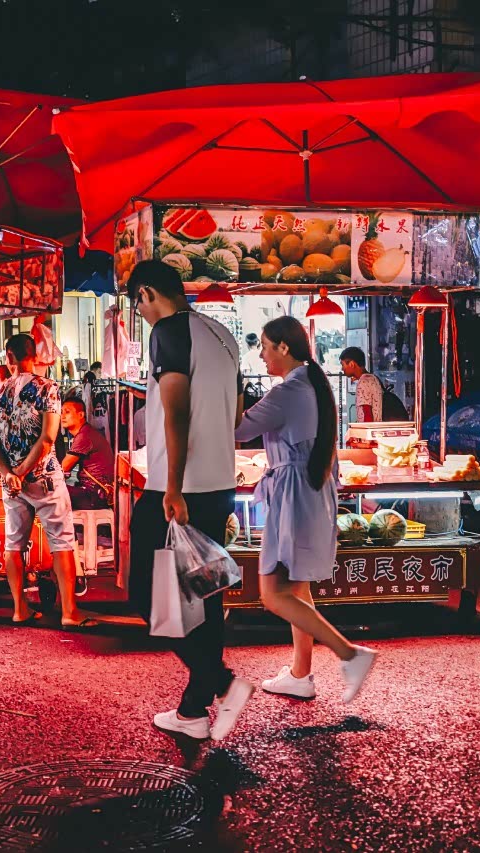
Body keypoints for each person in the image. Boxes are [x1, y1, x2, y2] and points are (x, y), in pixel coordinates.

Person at [126, 260, 253, 742]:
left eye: (138, 303)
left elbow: (175, 410)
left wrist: (174, 485)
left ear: (147, 293)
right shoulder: (221, 333)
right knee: (204, 596)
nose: (140, 313)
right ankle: (195, 709)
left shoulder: (169, 330)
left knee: (144, 592)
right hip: (220, 483)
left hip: (175, 487)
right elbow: (237, 411)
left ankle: (222, 684)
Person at [235, 318, 376, 704]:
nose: (261, 354)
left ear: (283, 347)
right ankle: (300, 674)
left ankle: (350, 653)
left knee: (272, 592)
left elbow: (238, 431)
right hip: (306, 492)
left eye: (265, 346)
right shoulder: (308, 384)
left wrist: (228, 388)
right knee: (297, 588)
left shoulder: (288, 391)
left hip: (294, 495)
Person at [0, 333, 94, 629]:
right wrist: (22, 472)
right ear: (35, 356)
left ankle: (20, 608)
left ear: (9, 358)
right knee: (62, 542)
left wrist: (9, 474)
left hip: (12, 484)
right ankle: (70, 612)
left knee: (13, 545)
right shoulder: (48, 389)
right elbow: (47, 439)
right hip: (44, 477)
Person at [59, 399, 115, 509]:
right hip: (96, 493)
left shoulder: (84, 436)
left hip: (95, 495)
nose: (63, 416)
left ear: (81, 415)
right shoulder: (86, 432)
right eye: (61, 412)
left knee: (50, 493)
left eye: (67, 412)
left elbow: (63, 467)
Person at [340, 346, 383, 423]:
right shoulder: (373, 378)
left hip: (368, 430)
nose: (342, 369)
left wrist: (365, 432)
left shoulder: (363, 382)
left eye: (343, 365)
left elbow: (367, 413)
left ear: (352, 364)